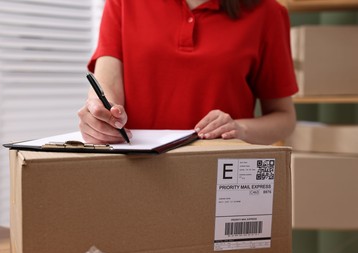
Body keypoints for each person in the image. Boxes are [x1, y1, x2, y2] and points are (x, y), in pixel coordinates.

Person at [78, 0, 298, 145]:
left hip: (221, 176)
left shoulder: (267, 13)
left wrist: (240, 129)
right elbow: (106, 90)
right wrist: (99, 116)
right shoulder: (123, 3)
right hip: (135, 171)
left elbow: (284, 118)